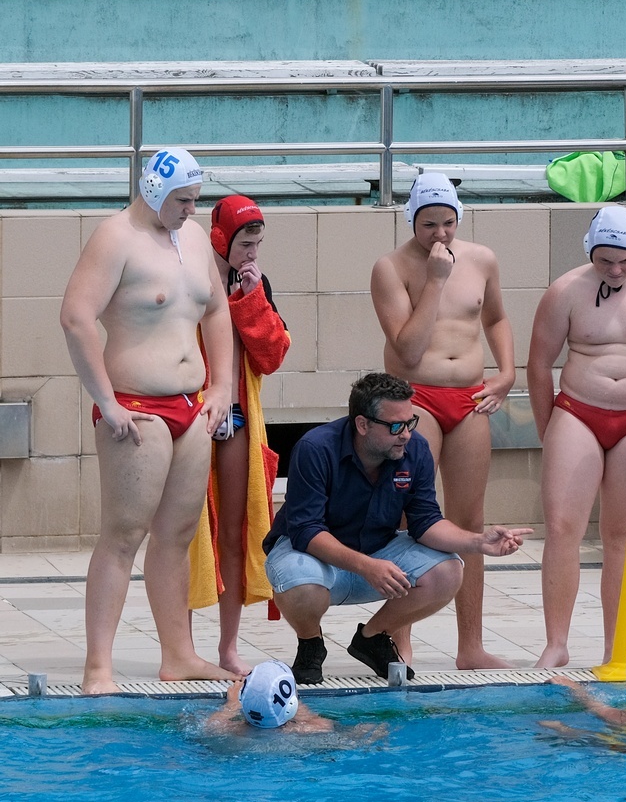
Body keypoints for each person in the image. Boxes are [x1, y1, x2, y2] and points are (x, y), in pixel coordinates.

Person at [60, 147, 238, 695]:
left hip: (191, 405)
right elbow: (75, 317)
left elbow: (216, 310)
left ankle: (178, 656)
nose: (192, 209)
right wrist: (106, 400)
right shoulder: (116, 238)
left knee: (178, 535)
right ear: (154, 191)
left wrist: (223, 387)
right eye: (183, 200)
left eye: (196, 199)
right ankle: (98, 667)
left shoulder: (193, 238)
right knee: (123, 535)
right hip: (136, 409)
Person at [262, 373, 532, 683]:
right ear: (363, 425)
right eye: (395, 426)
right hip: (317, 558)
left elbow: (425, 521)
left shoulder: (415, 450)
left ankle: (373, 638)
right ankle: (310, 644)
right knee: (299, 581)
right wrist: (367, 566)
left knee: (448, 571)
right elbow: (306, 531)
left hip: (377, 552)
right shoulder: (316, 448)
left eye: (410, 422)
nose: (405, 434)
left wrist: (478, 542)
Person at [371, 172, 517, 671]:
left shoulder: (482, 259)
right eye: (428, 224)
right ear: (411, 221)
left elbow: (495, 318)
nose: (440, 234)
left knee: (470, 521)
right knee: (408, 517)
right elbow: (408, 350)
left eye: (448, 223)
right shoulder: (391, 268)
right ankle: (399, 642)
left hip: (470, 399)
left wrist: (507, 373)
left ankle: (470, 647)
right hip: (417, 399)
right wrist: (435, 281)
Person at [528, 207, 626, 669]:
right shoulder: (565, 291)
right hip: (577, 413)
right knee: (562, 528)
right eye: (605, 261)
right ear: (589, 252)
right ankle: (556, 643)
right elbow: (539, 365)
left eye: (624, 261)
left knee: (623, 535)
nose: (616, 270)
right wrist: (548, 427)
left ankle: (615, 647)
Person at [187, 196, 292, 676]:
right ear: (220, 239)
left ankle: (228, 647)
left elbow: (272, 357)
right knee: (187, 534)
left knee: (233, 532)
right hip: (190, 414)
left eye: (257, 244)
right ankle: (182, 646)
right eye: (245, 244)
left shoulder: (255, 284)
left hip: (235, 418)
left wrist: (252, 300)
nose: (252, 253)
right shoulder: (190, 275)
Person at [203, 660, 334, 735]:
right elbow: (321, 723)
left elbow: (212, 725)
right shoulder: (313, 729)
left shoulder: (231, 731)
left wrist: (232, 704)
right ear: (292, 705)